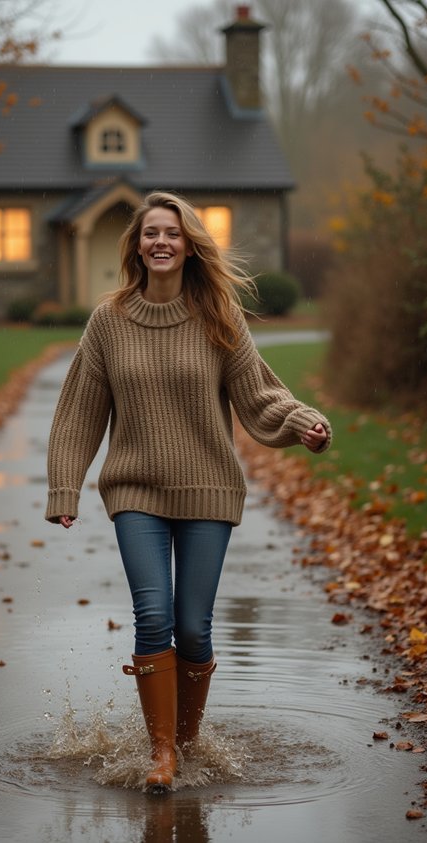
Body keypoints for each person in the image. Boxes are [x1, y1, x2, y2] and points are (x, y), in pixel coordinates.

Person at [45, 191, 331, 794]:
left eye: (172, 233)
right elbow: (79, 411)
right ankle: (163, 756)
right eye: (150, 233)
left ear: (189, 244)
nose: (161, 242)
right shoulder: (109, 321)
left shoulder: (217, 314)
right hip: (135, 492)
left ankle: (189, 739)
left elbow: (258, 395)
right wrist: (64, 486)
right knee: (153, 616)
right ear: (137, 246)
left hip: (208, 490)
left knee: (193, 628)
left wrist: (301, 421)